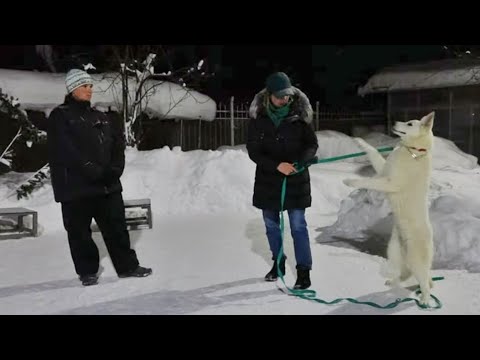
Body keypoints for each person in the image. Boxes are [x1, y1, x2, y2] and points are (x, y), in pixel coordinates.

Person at [47, 68, 152, 286]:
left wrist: (115, 169)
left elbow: (117, 145)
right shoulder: (61, 116)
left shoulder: (101, 117)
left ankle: (127, 266)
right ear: (73, 89)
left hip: (107, 185)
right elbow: (66, 151)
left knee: (117, 229)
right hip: (76, 188)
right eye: (84, 86)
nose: (89, 90)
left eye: (90, 86)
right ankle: (87, 272)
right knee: (79, 234)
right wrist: (92, 170)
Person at [247, 72, 318, 290]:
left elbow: (311, 145)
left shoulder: (300, 117)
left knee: (298, 226)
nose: (284, 100)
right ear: (269, 96)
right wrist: (277, 165)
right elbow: (254, 151)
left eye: (286, 96)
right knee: (271, 226)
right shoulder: (259, 120)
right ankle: (278, 263)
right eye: (279, 96)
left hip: (296, 181)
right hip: (268, 181)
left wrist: (301, 162)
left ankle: (304, 271)